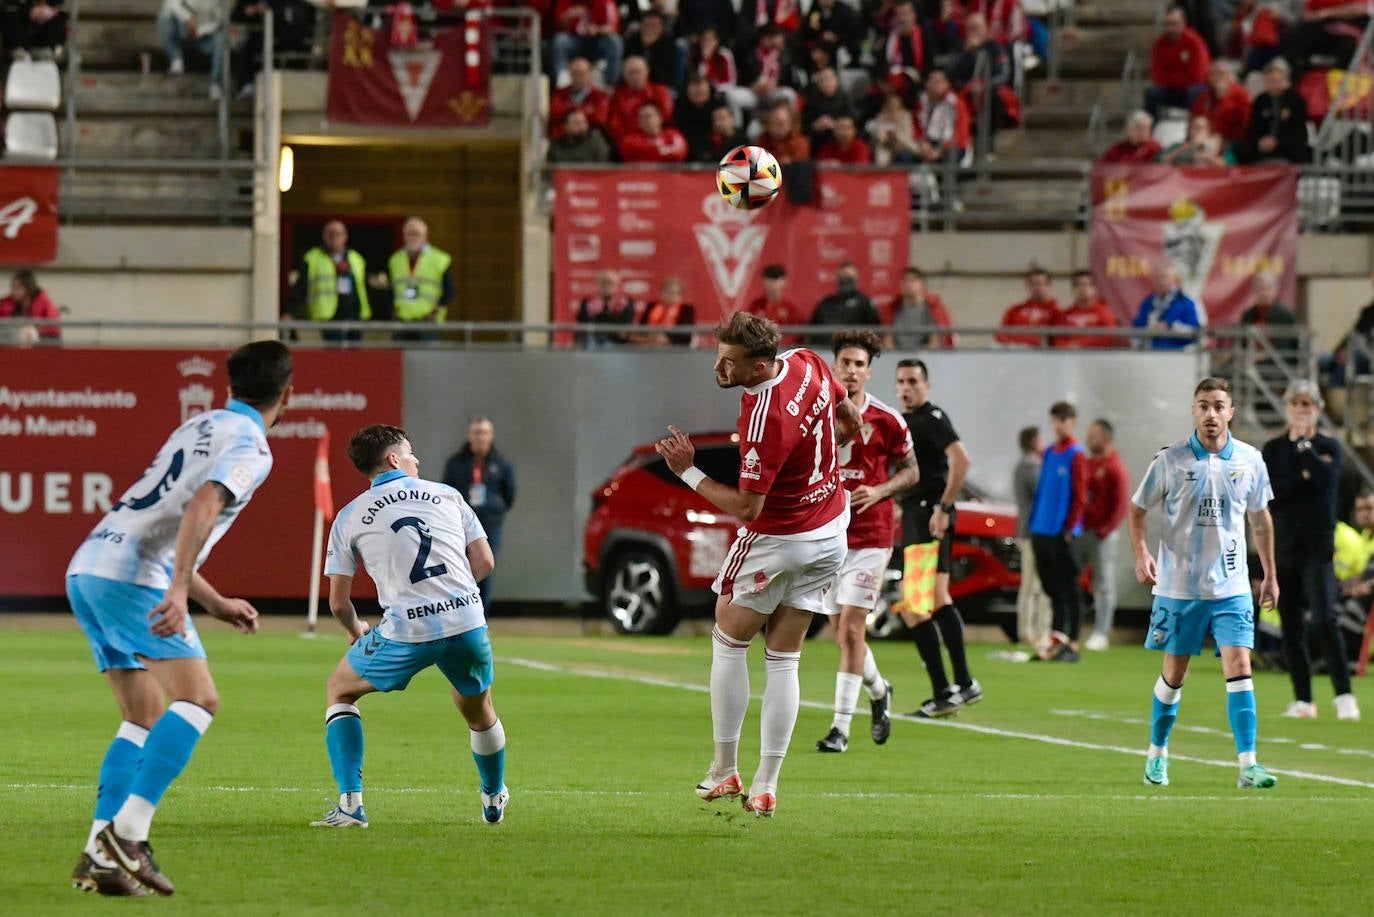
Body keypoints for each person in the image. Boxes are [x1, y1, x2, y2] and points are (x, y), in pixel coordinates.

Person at [65, 341, 292, 896]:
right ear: (288, 396)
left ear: (228, 387)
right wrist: (179, 586)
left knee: (144, 712)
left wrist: (210, 601)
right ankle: (128, 834)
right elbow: (201, 508)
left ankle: (100, 855)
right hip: (133, 577)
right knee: (200, 698)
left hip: (89, 565)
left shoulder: (196, 427)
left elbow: (166, 516)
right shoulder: (253, 446)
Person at [658, 311, 859, 817]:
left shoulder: (763, 416)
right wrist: (841, 438)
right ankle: (767, 785)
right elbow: (846, 408)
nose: (719, 369)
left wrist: (688, 472)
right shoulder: (809, 361)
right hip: (831, 531)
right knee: (784, 655)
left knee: (728, 635)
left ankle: (725, 770)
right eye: (719, 356)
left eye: (730, 362)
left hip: (783, 537)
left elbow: (749, 507)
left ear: (760, 365)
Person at [311, 424, 508, 829]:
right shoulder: (448, 494)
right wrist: (454, 596)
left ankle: (351, 806)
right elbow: (485, 562)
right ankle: (493, 794)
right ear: (393, 459)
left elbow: (337, 603)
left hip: (408, 630)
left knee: (339, 689)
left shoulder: (350, 515)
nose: (417, 459)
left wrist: (354, 630)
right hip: (467, 619)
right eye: (411, 452)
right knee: (477, 708)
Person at [1129, 376, 1281, 790]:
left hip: (1230, 587)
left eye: (1218, 406)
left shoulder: (1250, 460)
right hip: (1179, 587)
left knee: (1240, 665)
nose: (1211, 414)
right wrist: (1141, 553)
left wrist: (1268, 573)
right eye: (1203, 405)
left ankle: (1248, 764)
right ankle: (1157, 754)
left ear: (1231, 412)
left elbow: (1260, 520)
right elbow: (1138, 510)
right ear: (1193, 411)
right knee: (1175, 674)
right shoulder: (1170, 460)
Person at [815, 330, 918, 754]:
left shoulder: (888, 419)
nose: (852, 371)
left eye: (860, 365)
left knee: (854, 630)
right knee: (843, 636)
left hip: (872, 537)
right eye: (846, 363)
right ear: (834, 367)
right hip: (828, 535)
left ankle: (840, 728)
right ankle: (879, 691)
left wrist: (879, 491)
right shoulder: (817, 415)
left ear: (868, 372)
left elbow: (911, 471)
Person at [1261, 381, 1361, 721]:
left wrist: (1305, 452)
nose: (1302, 409)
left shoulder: (1328, 445)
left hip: (1318, 546)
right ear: (1287, 407)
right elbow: (1273, 492)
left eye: (1308, 403)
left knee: (1324, 618)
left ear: (1317, 409)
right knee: (1291, 625)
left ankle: (1344, 695)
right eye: (1296, 402)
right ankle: (1303, 698)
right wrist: (1302, 476)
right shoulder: (1273, 449)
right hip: (1285, 544)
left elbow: (1324, 480)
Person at [892, 359, 981, 717]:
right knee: (938, 597)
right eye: (900, 381)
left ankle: (945, 690)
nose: (906, 387)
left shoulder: (932, 418)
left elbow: (961, 459)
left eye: (913, 381)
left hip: (928, 516)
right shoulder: (907, 421)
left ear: (926, 385)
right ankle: (964, 684)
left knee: (913, 607)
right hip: (919, 513)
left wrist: (943, 506)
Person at [1028, 401, 1089, 661]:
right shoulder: (1050, 452)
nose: (1059, 424)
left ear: (1071, 422)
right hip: (1041, 529)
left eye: (1064, 420)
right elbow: (1042, 491)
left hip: (1061, 532)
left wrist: (1069, 527)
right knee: (1051, 589)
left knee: (1069, 589)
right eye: (1055, 419)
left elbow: (1080, 494)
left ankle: (1072, 642)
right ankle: (1056, 640)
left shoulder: (1076, 454)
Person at [441, 416, 516, 609]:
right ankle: (460, 616)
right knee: (459, 571)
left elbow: (509, 494)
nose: (480, 437)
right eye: (476, 433)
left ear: (491, 436)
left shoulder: (501, 464)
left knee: (485, 569)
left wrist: (495, 510)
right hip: (460, 527)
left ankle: (481, 619)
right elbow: (446, 493)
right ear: (469, 436)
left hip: (490, 526)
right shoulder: (456, 463)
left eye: (484, 433)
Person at [1075, 419, 1132, 651]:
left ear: (1107, 438)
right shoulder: (1087, 464)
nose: (1089, 439)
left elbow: (1120, 506)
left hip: (1101, 536)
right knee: (1073, 582)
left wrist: (1105, 530)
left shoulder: (1114, 467)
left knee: (1103, 584)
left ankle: (1101, 632)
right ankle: (1071, 629)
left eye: (1094, 435)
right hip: (1081, 533)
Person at [287, 220, 371, 344]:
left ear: (345, 237)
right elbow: (300, 288)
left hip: (354, 316)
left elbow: (366, 288)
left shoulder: (356, 258)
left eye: (338, 234)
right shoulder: (312, 258)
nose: (334, 237)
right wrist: (290, 312)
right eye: (331, 234)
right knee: (334, 356)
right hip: (328, 317)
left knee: (354, 357)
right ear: (324, 237)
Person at [385, 217, 453, 344]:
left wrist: (436, 310)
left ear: (425, 236)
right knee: (399, 360)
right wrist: (393, 310)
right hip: (402, 321)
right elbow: (390, 289)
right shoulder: (395, 260)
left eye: (416, 233)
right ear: (404, 236)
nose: (413, 237)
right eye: (409, 233)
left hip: (428, 322)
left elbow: (449, 290)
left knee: (428, 361)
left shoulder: (440, 259)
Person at [1014, 425, 1051, 648]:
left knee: (1028, 584)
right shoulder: (1032, 466)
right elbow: (1043, 495)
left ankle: (1026, 629)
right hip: (1035, 532)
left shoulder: (1021, 466)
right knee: (1036, 585)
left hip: (1024, 530)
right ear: (1034, 442)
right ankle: (1035, 630)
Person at [1239, 57, 1310, 164]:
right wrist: (1260, 141)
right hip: (1263, 145)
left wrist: (1277, 142)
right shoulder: (1260, 100)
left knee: (1300, 149)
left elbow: (1299, 131)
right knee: (1241, 149)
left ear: (1285, 81)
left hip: (1287, 146)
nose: (1274, 85)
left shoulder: (1295, 100)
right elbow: (1253, 128)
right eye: (1270, 81)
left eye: (1277, 81)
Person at [1145, 5, 1211, 120]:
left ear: (1184, 23)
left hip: (1193, 89)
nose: (1170, 28)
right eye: (1167, 24)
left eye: (1174, 24)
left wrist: (1172, 78)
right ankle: (1150, 129)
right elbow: (1157, 74)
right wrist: (1176, 79)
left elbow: (1197, 76)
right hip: (1172, 90)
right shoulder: (1159, 45)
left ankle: (1192, 128)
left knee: (1194, 92)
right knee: (1152, 93)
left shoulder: (1194, 43)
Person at [157, 0, 226, 100]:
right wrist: (188, 19)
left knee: (221, 40)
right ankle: (176, 60)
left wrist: (199, 31)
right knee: (164, 17)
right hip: (180, 29)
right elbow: (171, 4)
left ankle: (216, 85)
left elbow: (219, 20)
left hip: (202, 34)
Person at [1132, 261, 1203, 351]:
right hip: (1151, 357)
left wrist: (1170, 327)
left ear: (1174, 280)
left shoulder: (1186, 303)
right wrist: (1148, 330)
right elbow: (1135, 331)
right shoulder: (1147, 303)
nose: (1160, 282)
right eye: (1156, 278)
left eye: (1164, 277)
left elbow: (1196, 333)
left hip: (1178, 357)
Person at [807, 262, 880, 345]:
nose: (846, 281)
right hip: (825, 350)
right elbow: (811, 330)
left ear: (857, 279)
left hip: (855, 349)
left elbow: (875, 331)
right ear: (837, 279)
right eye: (842, 277)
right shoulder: (825, 303)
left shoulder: (865, 303)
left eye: (849, 278)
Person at [883, 267, 955, 351]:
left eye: (913, 280)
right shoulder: (893, 308)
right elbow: (887, 338)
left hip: (926, 357)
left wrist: (922, 359)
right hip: (897, 357)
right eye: (905, 280)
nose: (908, 284)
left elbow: (936, 340)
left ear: (922, 284)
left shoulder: (933, 307)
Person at [1055, 271, 1120, 349]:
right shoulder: (1066, 314)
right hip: (1071, 357)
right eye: (1078, 285)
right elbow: (1058, 340)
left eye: (1087, 285)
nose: (1083, 289)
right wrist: (1068, 345)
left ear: (1094, 289)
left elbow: (1110, 337)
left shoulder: (1104, 312)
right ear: (1073, 290)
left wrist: (1082, 344)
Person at [996, 268, 1059, 347]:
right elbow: (1000, 335)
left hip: (1041, 353)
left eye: (1039, 284)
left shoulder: (1057, 312)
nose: (1036, 288)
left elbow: (1057, 339)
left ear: (1048, 286)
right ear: (1027, 286)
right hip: (1015, 351)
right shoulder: (1014, 310)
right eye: (1032, 284)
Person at [574, 268, 637, 347]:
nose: (607, 286)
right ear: (597, 284)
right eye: (603, 283)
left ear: (617, 285)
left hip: (618, 342)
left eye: (610, 283)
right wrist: (610, 319)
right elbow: (584, 321)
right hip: (593, 340)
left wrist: (600, 317)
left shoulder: (626, 301)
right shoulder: (587, 301)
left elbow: (625, 322)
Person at [744, 263, 803, 345]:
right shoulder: (756, 305)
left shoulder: (791, 307)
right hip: (759, 349)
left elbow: (796, 333)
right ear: (763, 281)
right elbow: (747, 327)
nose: (772, 284)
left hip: (784, 350)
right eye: (768, 279)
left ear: (784, 281)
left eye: (776, 279)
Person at [0, 268, 61, 345]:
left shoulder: (43, 301)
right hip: (14, 343)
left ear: (28, 288)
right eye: (12, 287)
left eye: (17, 287)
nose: (13, 291)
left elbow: (53, 327)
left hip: (43, 343)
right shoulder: (7, 302)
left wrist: (35, 331)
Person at [631, 275, 696, 346]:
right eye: (666, 292)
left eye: (673, 293)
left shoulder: (686, 310)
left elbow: (685, 334)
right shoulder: (651, 306)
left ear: (680, 296)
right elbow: (642, 326)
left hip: (673, 346)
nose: (669, 295)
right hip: (648, 342)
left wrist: (666, 337)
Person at [1157, 114, 1235, 166]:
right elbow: (1160, 161)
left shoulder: (1221, 148)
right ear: (1190, 130)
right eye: (1194, 128)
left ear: (1208, 130)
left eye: (1201, 128)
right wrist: (1182, 149)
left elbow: (1228, 165)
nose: (1197, 131)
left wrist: (1206, 155)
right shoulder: (1178, 146)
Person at [548, 108, 614, 163]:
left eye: (584, 122)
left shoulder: (596, 143)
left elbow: (604, 168)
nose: (581, 126)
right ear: (566, 126)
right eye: (576, 123)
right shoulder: (557, 146)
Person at [1098, 111, 1164, 164]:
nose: (1142, 132)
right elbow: (1102, 166)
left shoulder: (1154, 148)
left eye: (1146, 128)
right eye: (1138, 128)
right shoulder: (1119, 149)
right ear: (1128, 130)